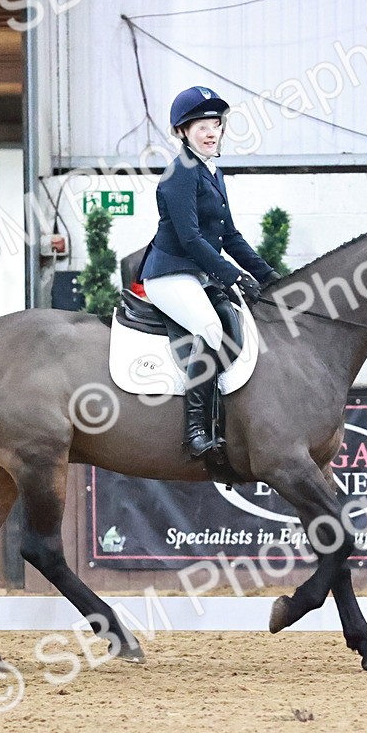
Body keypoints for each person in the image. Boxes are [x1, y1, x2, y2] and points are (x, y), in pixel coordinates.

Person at [138, 85, 281, 459]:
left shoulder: (212, 172)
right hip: (168, 275)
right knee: (211, 328)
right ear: (183, 132)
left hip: (197, 274)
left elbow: (229, 235)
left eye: (215, 123)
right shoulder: (180, 173)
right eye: (201, 125)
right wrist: (233, 276)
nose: (210, 131)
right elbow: (190, 238)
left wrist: (268, 276)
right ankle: (197, 430)